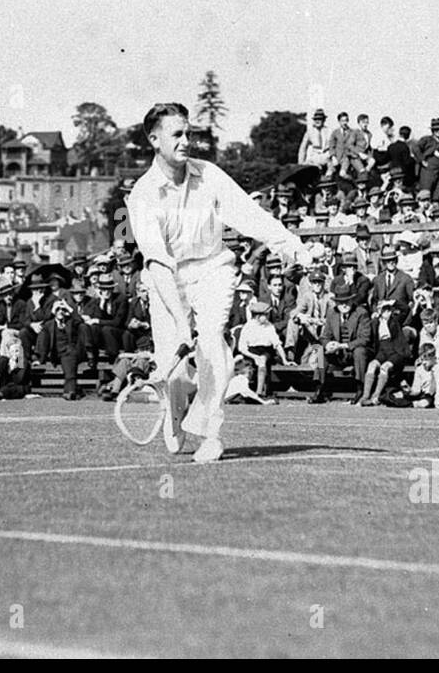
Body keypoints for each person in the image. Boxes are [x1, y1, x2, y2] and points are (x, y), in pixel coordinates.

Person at [127, 102, 311, 463]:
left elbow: (250, 216)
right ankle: (175, 411)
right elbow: (158, 263)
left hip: (214, 268)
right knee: (174, 368)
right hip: (167, 279)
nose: (186, 141)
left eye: (188, 133)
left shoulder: (209, 174)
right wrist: (181, 322)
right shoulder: (143, 194)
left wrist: (297, 249)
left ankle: (210, 433)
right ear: (154, 139)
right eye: (177, 134)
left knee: (213, 347)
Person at [235, 300, 288, 398]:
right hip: (251, 352)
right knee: (246, 366)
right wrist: (254, 356)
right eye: (265, 315)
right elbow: (242, 348)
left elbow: (277, 344)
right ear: (257, 316)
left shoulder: (269, 326)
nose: (267, 317)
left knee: (262, 360)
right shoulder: (248, 327)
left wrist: (285, 360)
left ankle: (259, 392)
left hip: (265, 351)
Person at [298, 108, 333, 173]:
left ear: (324, 120)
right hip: (314, 157)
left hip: (327, 156)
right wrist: (301, 163)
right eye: (315, 119)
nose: (317, 121)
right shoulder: (310, 132)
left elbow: (334, 146)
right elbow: (303, 148)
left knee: (332, 167)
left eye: (319, 119)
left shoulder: (329, 131)